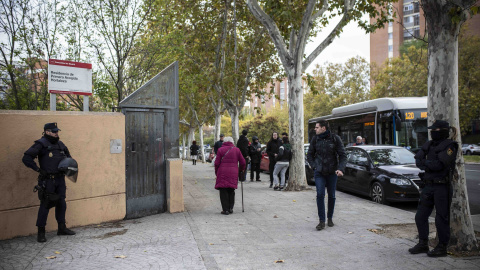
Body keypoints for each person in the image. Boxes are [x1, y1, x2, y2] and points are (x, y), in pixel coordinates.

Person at [409, 120, 458, 257]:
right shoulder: (429, 144)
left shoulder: (450, 146)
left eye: (435, 130)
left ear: (443, 131)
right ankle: (423, 243)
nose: (432, 132)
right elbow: (418, 159)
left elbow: (440, 165)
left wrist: (426, 163)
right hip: (428, 185)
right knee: (420, 216)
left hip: (442, 187)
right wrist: (428, 163)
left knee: (441, 218)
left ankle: (442, 247)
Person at [22, 122, 76, 242]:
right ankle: (41, 232)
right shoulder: (41, 144)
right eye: (54, 131)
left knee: (61, 202)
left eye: (57, 131)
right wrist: (38, 170)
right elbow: (26, 158)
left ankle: (61, 228)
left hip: (60, 179)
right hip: (48, 180)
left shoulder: (60, 144)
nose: (56, 133)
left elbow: (69, 158)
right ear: (47, 132)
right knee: (45, 204)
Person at [307, 120, 347, 231]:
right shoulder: (315, 139)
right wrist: (314, 166)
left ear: (323, 128)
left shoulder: (335, 138)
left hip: (332, 172)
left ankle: (330, 218)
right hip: (319, 172)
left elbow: (343, 155)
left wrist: (340, 168)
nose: (315, 129)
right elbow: (309, 155)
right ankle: (321, 221)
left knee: (332, 195)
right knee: (320, 194)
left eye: (317, 127)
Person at [214, 137, 246, 215]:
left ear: (224, 142)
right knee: (231, 190)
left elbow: (216, 163)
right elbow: (243, 162)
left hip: (222, 172)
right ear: (232, 142)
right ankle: (231, 208)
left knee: (223, 190)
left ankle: (225, 210)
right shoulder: (237, 150)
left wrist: (216, 172)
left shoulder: (220, 150)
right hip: (233, 172)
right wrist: (241, 170)